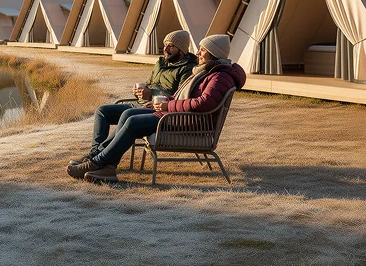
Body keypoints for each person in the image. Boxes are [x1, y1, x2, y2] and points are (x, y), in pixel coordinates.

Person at [67, 33, 246, 183]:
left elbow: (202, 104)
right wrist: (160, 101)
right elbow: (182, 96)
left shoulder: (220, 76)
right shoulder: (209, 71)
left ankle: (96, 162)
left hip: (188, 121)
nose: (198, 52)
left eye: (203, 50)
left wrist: (168, 104)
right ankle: (108, 167)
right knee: (129, 113)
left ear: (214, 53)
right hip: (178, 115)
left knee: (132, 123)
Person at [68, 30, 196, 167]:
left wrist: (151, 95)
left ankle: (97, 158)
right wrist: (139, 92)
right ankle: (95, 153)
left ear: (181, 49)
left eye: (171, 46)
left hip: (154, 108)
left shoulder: (187, 69)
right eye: (165, 45)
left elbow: (179, 95)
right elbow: (150, 83)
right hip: (140, 103)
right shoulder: (160, 63)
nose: (165, 49)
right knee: (102, 111)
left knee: (127, 115)